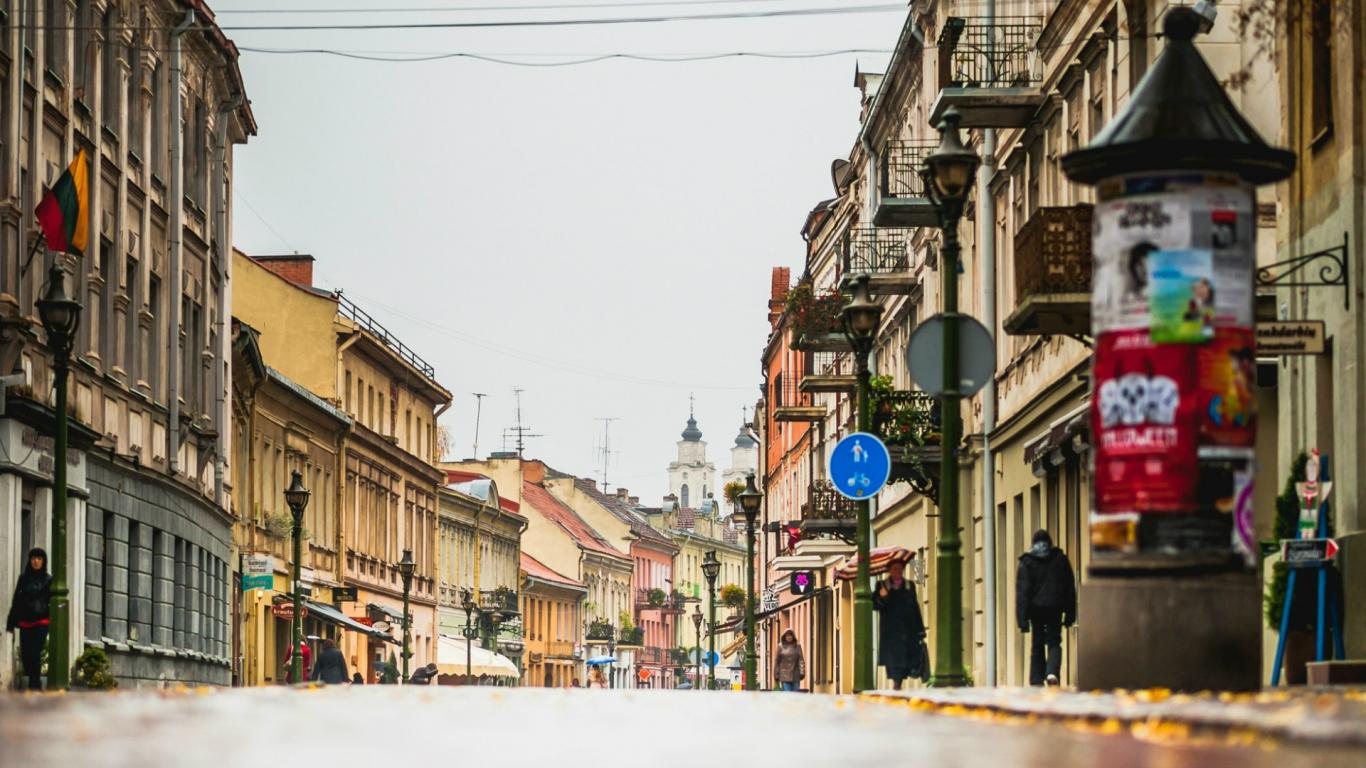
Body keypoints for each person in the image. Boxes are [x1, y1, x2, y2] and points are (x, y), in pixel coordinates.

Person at [1016, 529, 1077, 686]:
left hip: (1036, 609)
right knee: (1054, 641)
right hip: (1055, 608)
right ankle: (1052, 672)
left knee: (1037, 643)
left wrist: (1022, 620)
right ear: (1050, 542)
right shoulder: (1060, 559)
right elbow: (1069, 589)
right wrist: (1070, 615)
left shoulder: (1027, 562)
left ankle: (1036, 679)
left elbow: (1022, 593)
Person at [872, 559, 926, 690]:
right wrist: (882, 597)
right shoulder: (882, 585)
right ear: (889, 571)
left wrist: (920, 630)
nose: (898, 571)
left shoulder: (909, 585)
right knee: (894, 661)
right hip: (891, 632)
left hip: (907, 631)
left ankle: (897, 684)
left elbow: (915, 607)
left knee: (906, 661)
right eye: (895, 569)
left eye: (900, 568)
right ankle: (897, 685)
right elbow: (875, 606)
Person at [5, 548, 52, 691]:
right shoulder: (23, 578)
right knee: (26, 656)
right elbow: (16, 600)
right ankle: (34, 681)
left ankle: (34, 685)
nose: (36, 561)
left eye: (39, 559)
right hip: (25, 621)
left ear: (43, 561)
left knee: (34, 653)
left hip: (41, 621)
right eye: (33, 558)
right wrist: (11, 623)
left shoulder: (49, 580)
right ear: (30, 560)